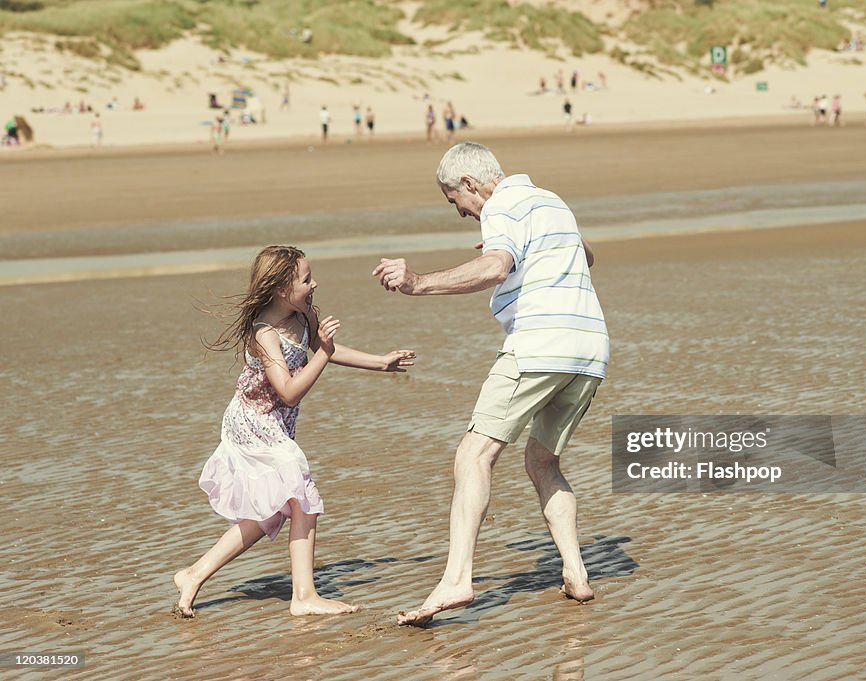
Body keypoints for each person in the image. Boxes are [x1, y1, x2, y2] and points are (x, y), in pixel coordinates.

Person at [373, 142, 609, 626]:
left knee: (473, 454)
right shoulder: (549, 199)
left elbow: (495, 267)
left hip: (540, 343)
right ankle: (576, 573)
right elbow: (584, 254)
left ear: (470, 184)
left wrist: (417, 282)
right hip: (589, 349)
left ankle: (458, 580)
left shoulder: (500, 205)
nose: (460, 213)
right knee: (543, 460)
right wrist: (524, 250)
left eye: (454, 201)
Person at [173, 245, 415, 619]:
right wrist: (323, 353)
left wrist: (379, 362)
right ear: (281, 289)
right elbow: (288, 392)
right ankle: (303, 596)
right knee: (301, 495)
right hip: (252, 422)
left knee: (271, 510)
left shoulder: (304, 314)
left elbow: (324, 349)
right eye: (306, 279)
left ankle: (194, 573)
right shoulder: (264, 333)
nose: (314, 283)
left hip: (275, 423)